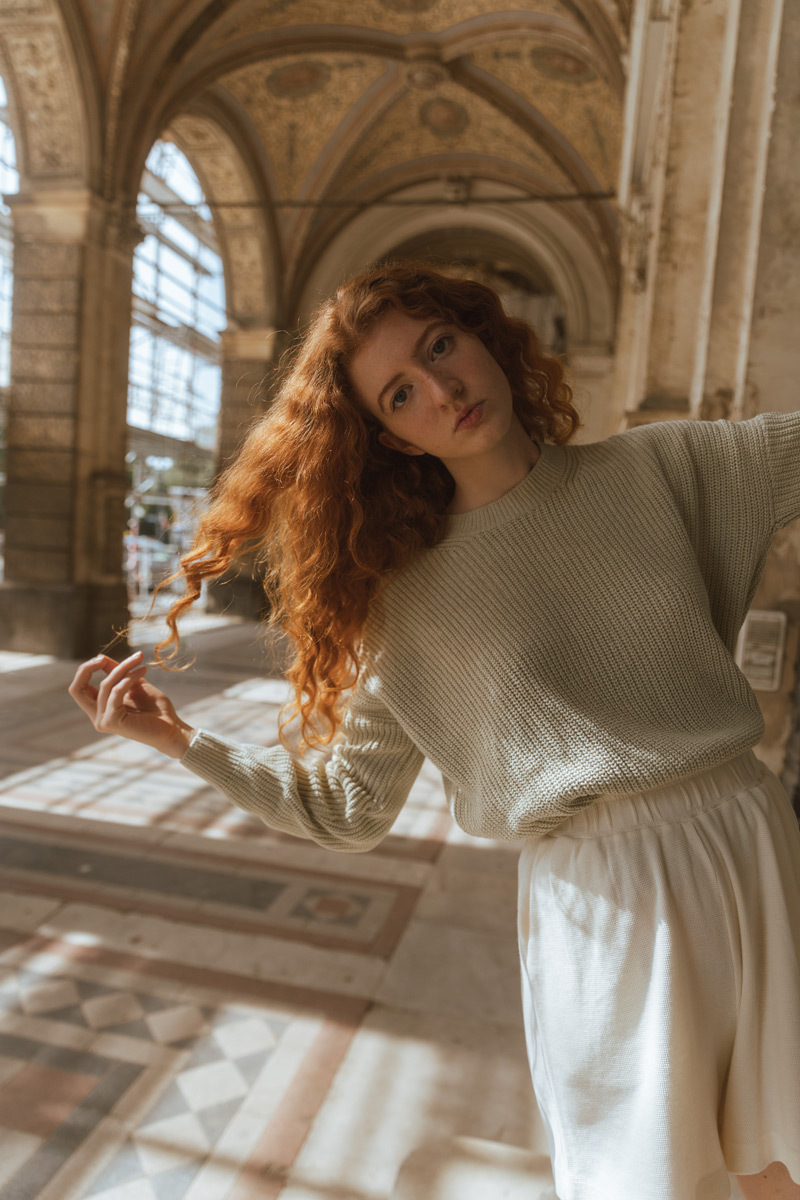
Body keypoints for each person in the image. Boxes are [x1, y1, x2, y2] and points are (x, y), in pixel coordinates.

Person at [69, 261, 800, 1200]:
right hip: (601, 895)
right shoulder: (407, 605)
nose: (444, 391)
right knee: (644, 1176)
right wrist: (180, 740)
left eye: (440, 347)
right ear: (389, 437)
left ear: (486, 336)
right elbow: (343, 808)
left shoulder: (664, 468)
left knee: (778, 1162)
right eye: (402, 392)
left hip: (746, 840)